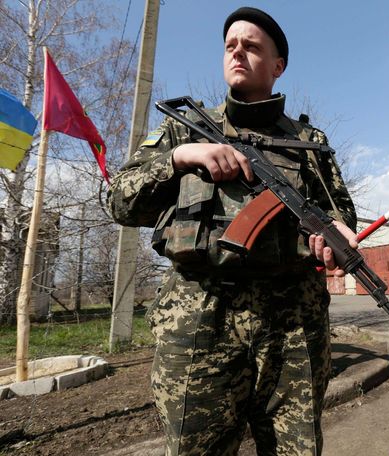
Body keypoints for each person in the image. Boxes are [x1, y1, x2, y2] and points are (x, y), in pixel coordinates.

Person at [107, 7, 357, 455]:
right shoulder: (183, 129)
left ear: (278, 66)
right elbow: (121, 202)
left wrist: (337, 235)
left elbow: (341, 212)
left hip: (293, 324)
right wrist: (181, 158)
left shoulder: (309, 142)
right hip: (199, 319)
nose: (237, 51)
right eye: (230, 46)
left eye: (252, 45)